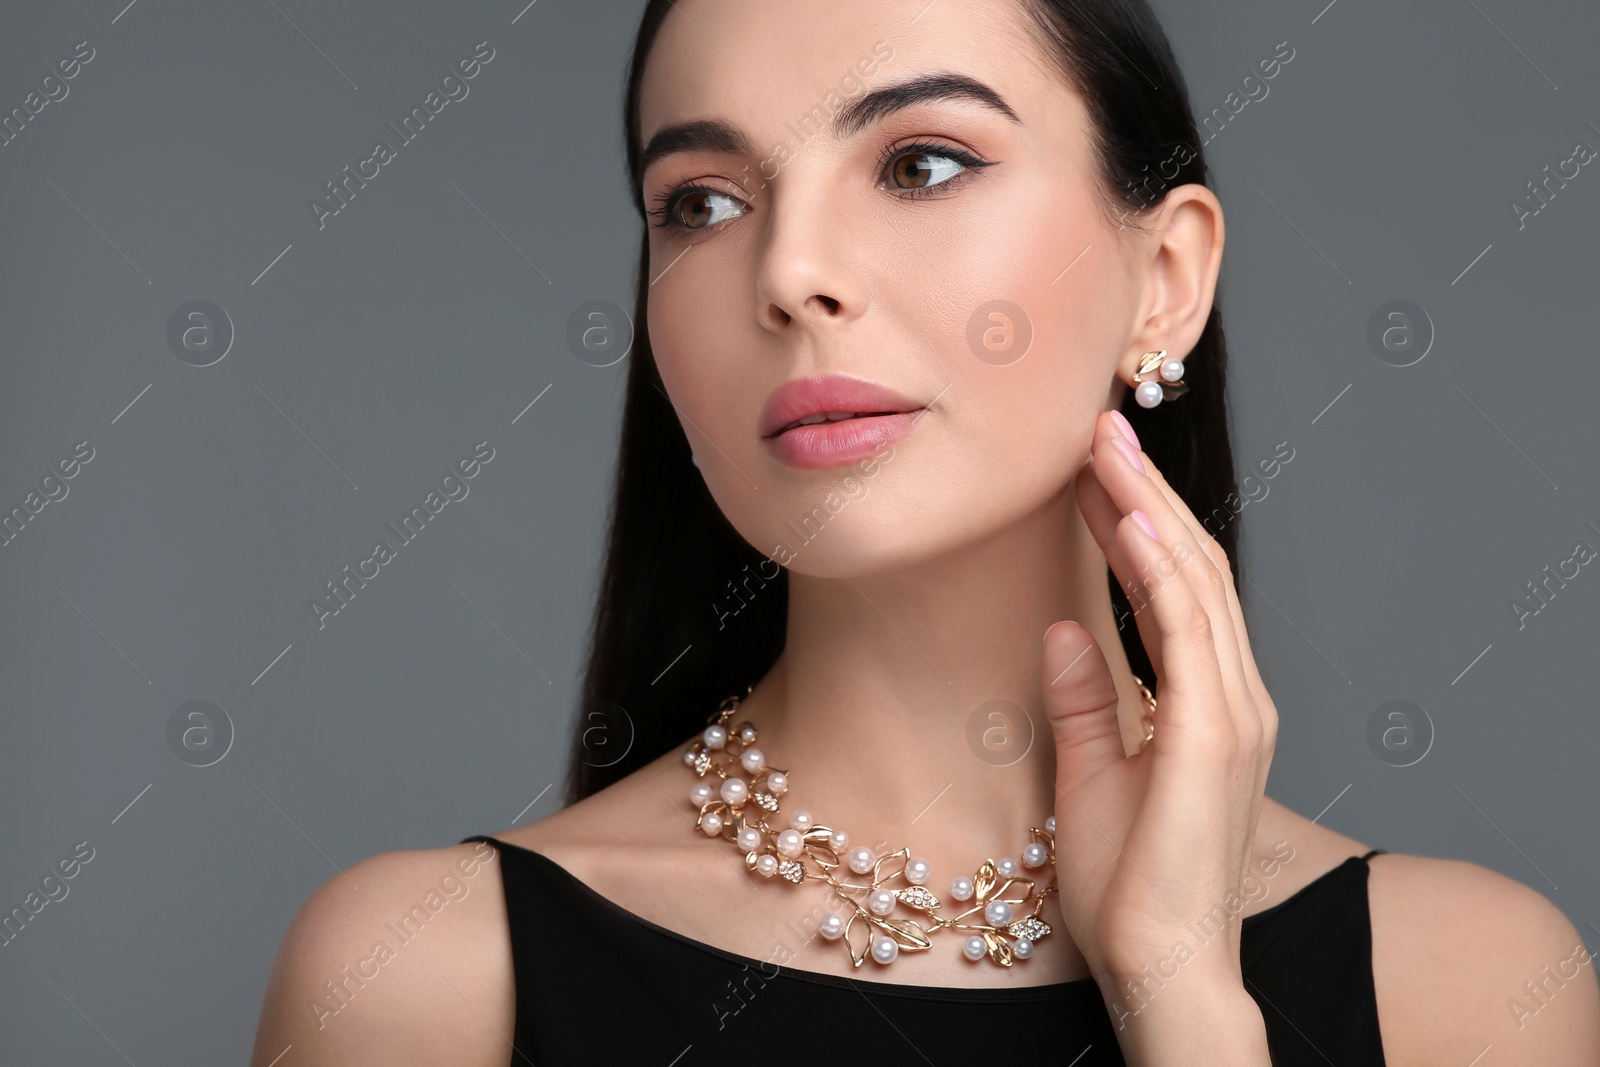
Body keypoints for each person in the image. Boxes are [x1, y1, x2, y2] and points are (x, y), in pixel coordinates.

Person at [250, 1, 1600, 1063]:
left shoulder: (1465, 990)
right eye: (702, 203)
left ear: (1165, 278)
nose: (786, 273)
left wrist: (1181, 997)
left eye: (921, 161)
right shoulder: (422, 980)